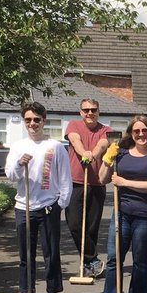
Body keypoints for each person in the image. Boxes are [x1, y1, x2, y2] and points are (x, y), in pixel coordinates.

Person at [96, 116, 147, 293]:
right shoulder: (120, 154)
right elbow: (102, 179)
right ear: (131, 133)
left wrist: (123, 182)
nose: (140, 134)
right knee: (114, 258)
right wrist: (107, 158)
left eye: (144, 130)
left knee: (140, 260)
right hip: (121, 213)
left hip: (146, 215)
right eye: (136, 131)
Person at [5, 102, 72, 293]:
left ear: (44, 120)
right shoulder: (18, 147)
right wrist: (19, 163)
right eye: (28, 120)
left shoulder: (55, 146)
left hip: (48, 206)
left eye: (36, 119)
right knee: (26, 252)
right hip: (23, 206)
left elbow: (65, 178)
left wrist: (62, 203)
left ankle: (52, 292)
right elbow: (10, 175)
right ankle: (25, 291)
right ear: (24, 122)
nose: (32, 123)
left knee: (50, 250)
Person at [64, 98, 112, 279]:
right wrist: (84, 152)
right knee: (75, 224)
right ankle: (92, 259)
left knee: (92, 227)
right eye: (86, 110)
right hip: (75, 182)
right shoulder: (73, 125)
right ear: (80, 112)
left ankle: (88, 264)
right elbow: (75, 141)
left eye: (93, 110)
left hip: (97, 183)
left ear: (98, 111)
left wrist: (94, 154)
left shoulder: (105, 130)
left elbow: (103, 144)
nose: (90, 113)